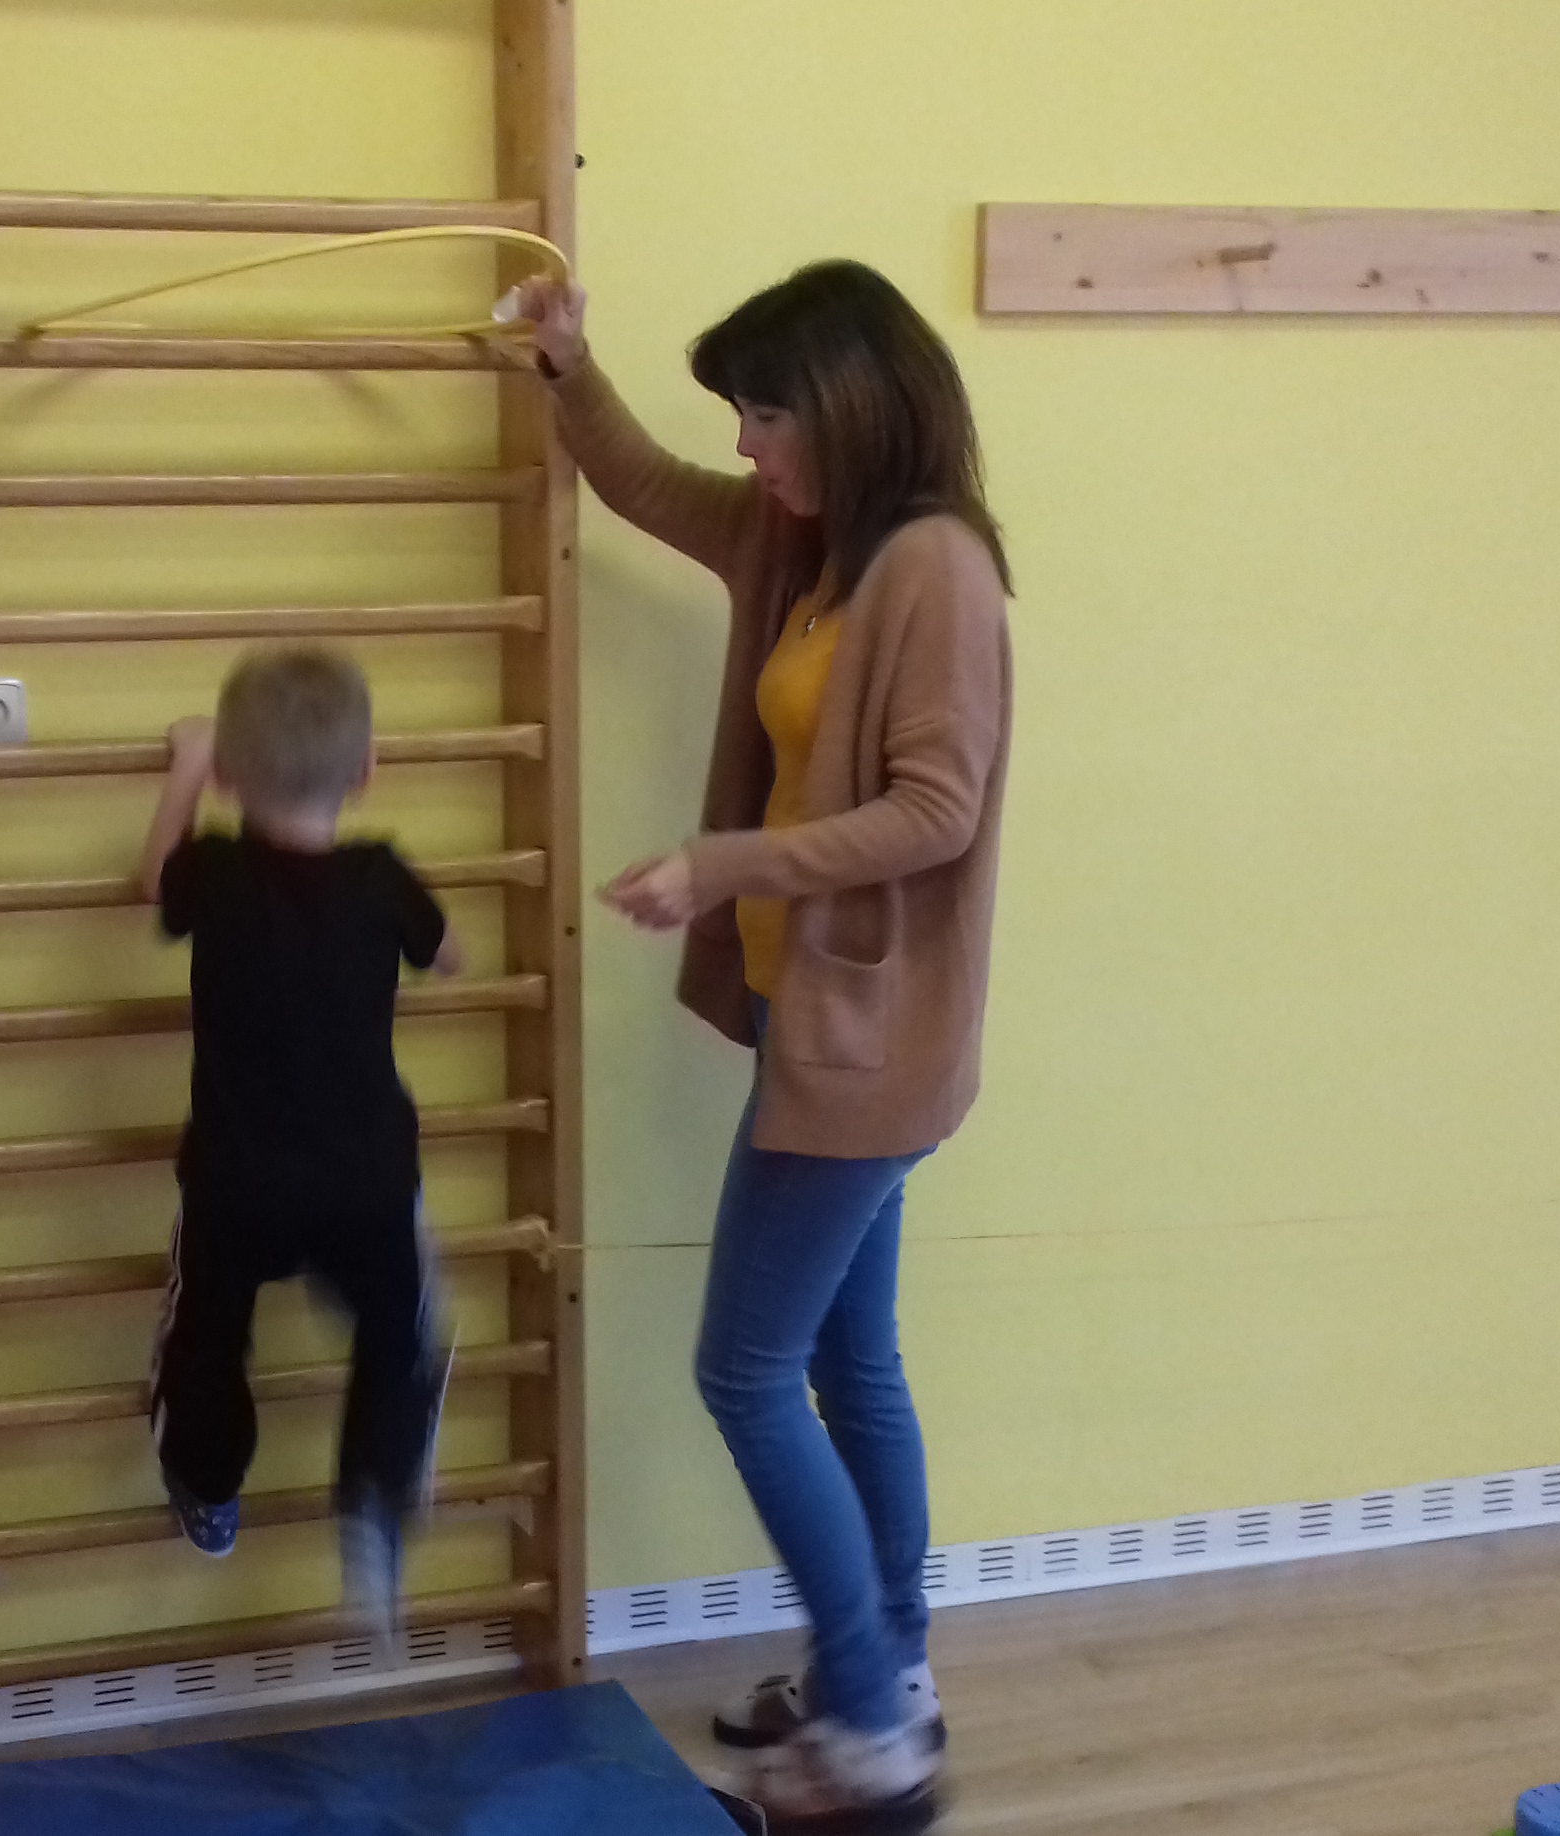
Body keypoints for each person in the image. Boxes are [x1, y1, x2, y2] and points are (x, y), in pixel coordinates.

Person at [521, 260, 1013, 1833]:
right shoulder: (805, 540)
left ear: (849, 410)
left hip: (871, 1049)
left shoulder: (934, 572)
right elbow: (648, 484)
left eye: (766, 414)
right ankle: (890, 1674)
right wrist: (567, 364)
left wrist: (724, 865)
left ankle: (868, 1719)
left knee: (742, 1370)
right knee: (851, 1361)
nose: (742, 445)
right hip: (822, 1026)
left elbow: (937, 811)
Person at [136, 643, 462, 1651]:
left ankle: (206, 1484)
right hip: (366, 1177)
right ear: (365, 772)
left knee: (207, 1335)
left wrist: (186, 765)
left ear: (231, 778)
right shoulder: (381, 878)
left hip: (236, 1178)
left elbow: (154, 879)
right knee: (402, 1332)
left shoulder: (215, 875)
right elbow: (449, 954)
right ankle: (374, 1491)